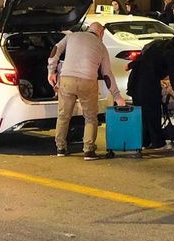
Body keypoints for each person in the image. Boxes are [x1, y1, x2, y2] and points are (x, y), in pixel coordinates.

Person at [48, 21, 127, 160]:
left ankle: (60, 148)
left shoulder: (72, 36)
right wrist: (117, 96)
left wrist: (51, 71)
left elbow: (55, 50)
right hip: (88, 81)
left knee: (63, 115)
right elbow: (107, 73)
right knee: (90, 117)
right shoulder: (101, 46)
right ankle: (88, 150)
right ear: (100, 32)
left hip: (67, 79)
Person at [126, 37, 174, 153]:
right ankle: (158, 143)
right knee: (154, 113)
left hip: (135, 82)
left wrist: (130, 65)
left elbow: (141, 59)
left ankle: (144, 141)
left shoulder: (158, 45)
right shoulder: (171, 55)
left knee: (142, 114)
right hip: (149, 85)